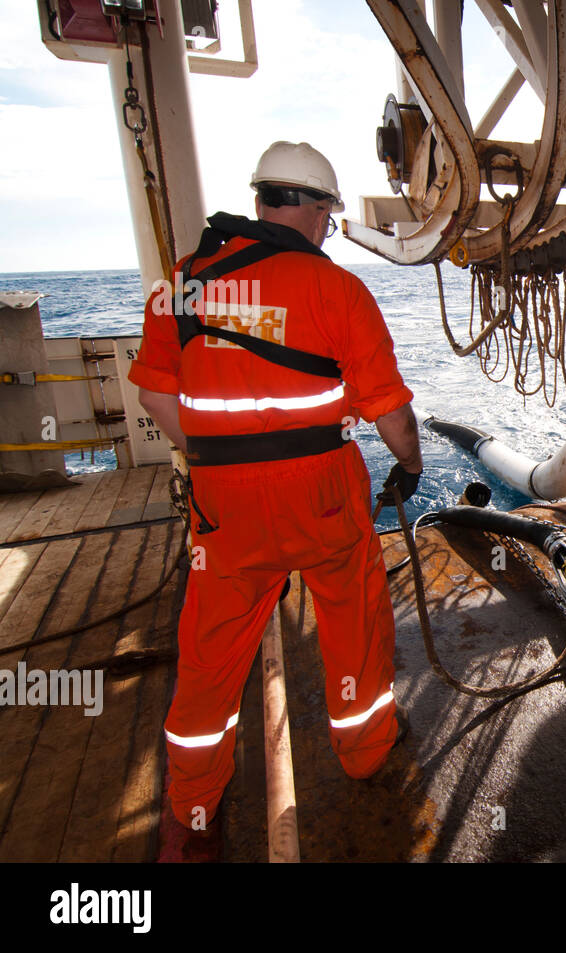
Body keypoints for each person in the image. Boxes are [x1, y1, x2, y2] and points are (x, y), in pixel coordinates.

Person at [128, 141, 422, 852]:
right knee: (354, 620)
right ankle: (365, 748)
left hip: (225, 509)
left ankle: (191, 810)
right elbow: (390, 416)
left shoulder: (186, 283)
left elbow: (152, 391)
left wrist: (209, 460)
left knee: (210, 654)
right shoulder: (337, 290)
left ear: (263, 199)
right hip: (323, 496)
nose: (328, 227)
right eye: (329, 213)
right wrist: (409, 467)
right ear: (317, 209)